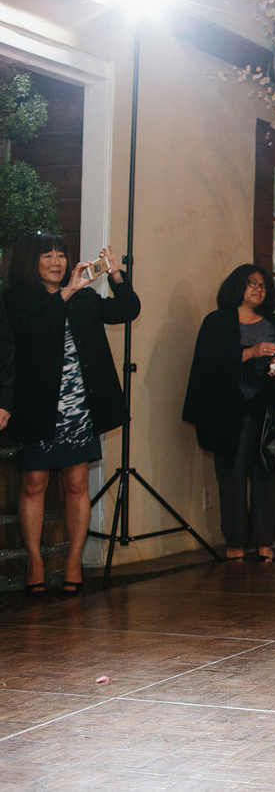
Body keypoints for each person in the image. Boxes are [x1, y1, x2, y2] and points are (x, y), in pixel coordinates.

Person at [7, 233, 136, 596]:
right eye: (47, 255)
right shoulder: (16, 301)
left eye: (61, 255)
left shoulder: (84, 299)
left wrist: (115, 274)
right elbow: (27, 328)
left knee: (77, 483)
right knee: (34, 482)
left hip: (80, 406)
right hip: (36, 405)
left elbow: (127, 310)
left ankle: (73, 561)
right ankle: (34, 561)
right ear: (30, 262)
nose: (56, 261)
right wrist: (66, 293)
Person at [183, 265, 275, 563]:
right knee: (232, 477)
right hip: (229, 413)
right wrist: (251, 352)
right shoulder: (216, 322)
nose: (259, 289)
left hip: (266, 412)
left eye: (263, 285)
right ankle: (234, 541)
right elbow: (209, 366)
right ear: (237, 287)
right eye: (252, 284)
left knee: (265, 477)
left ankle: (263, 541)